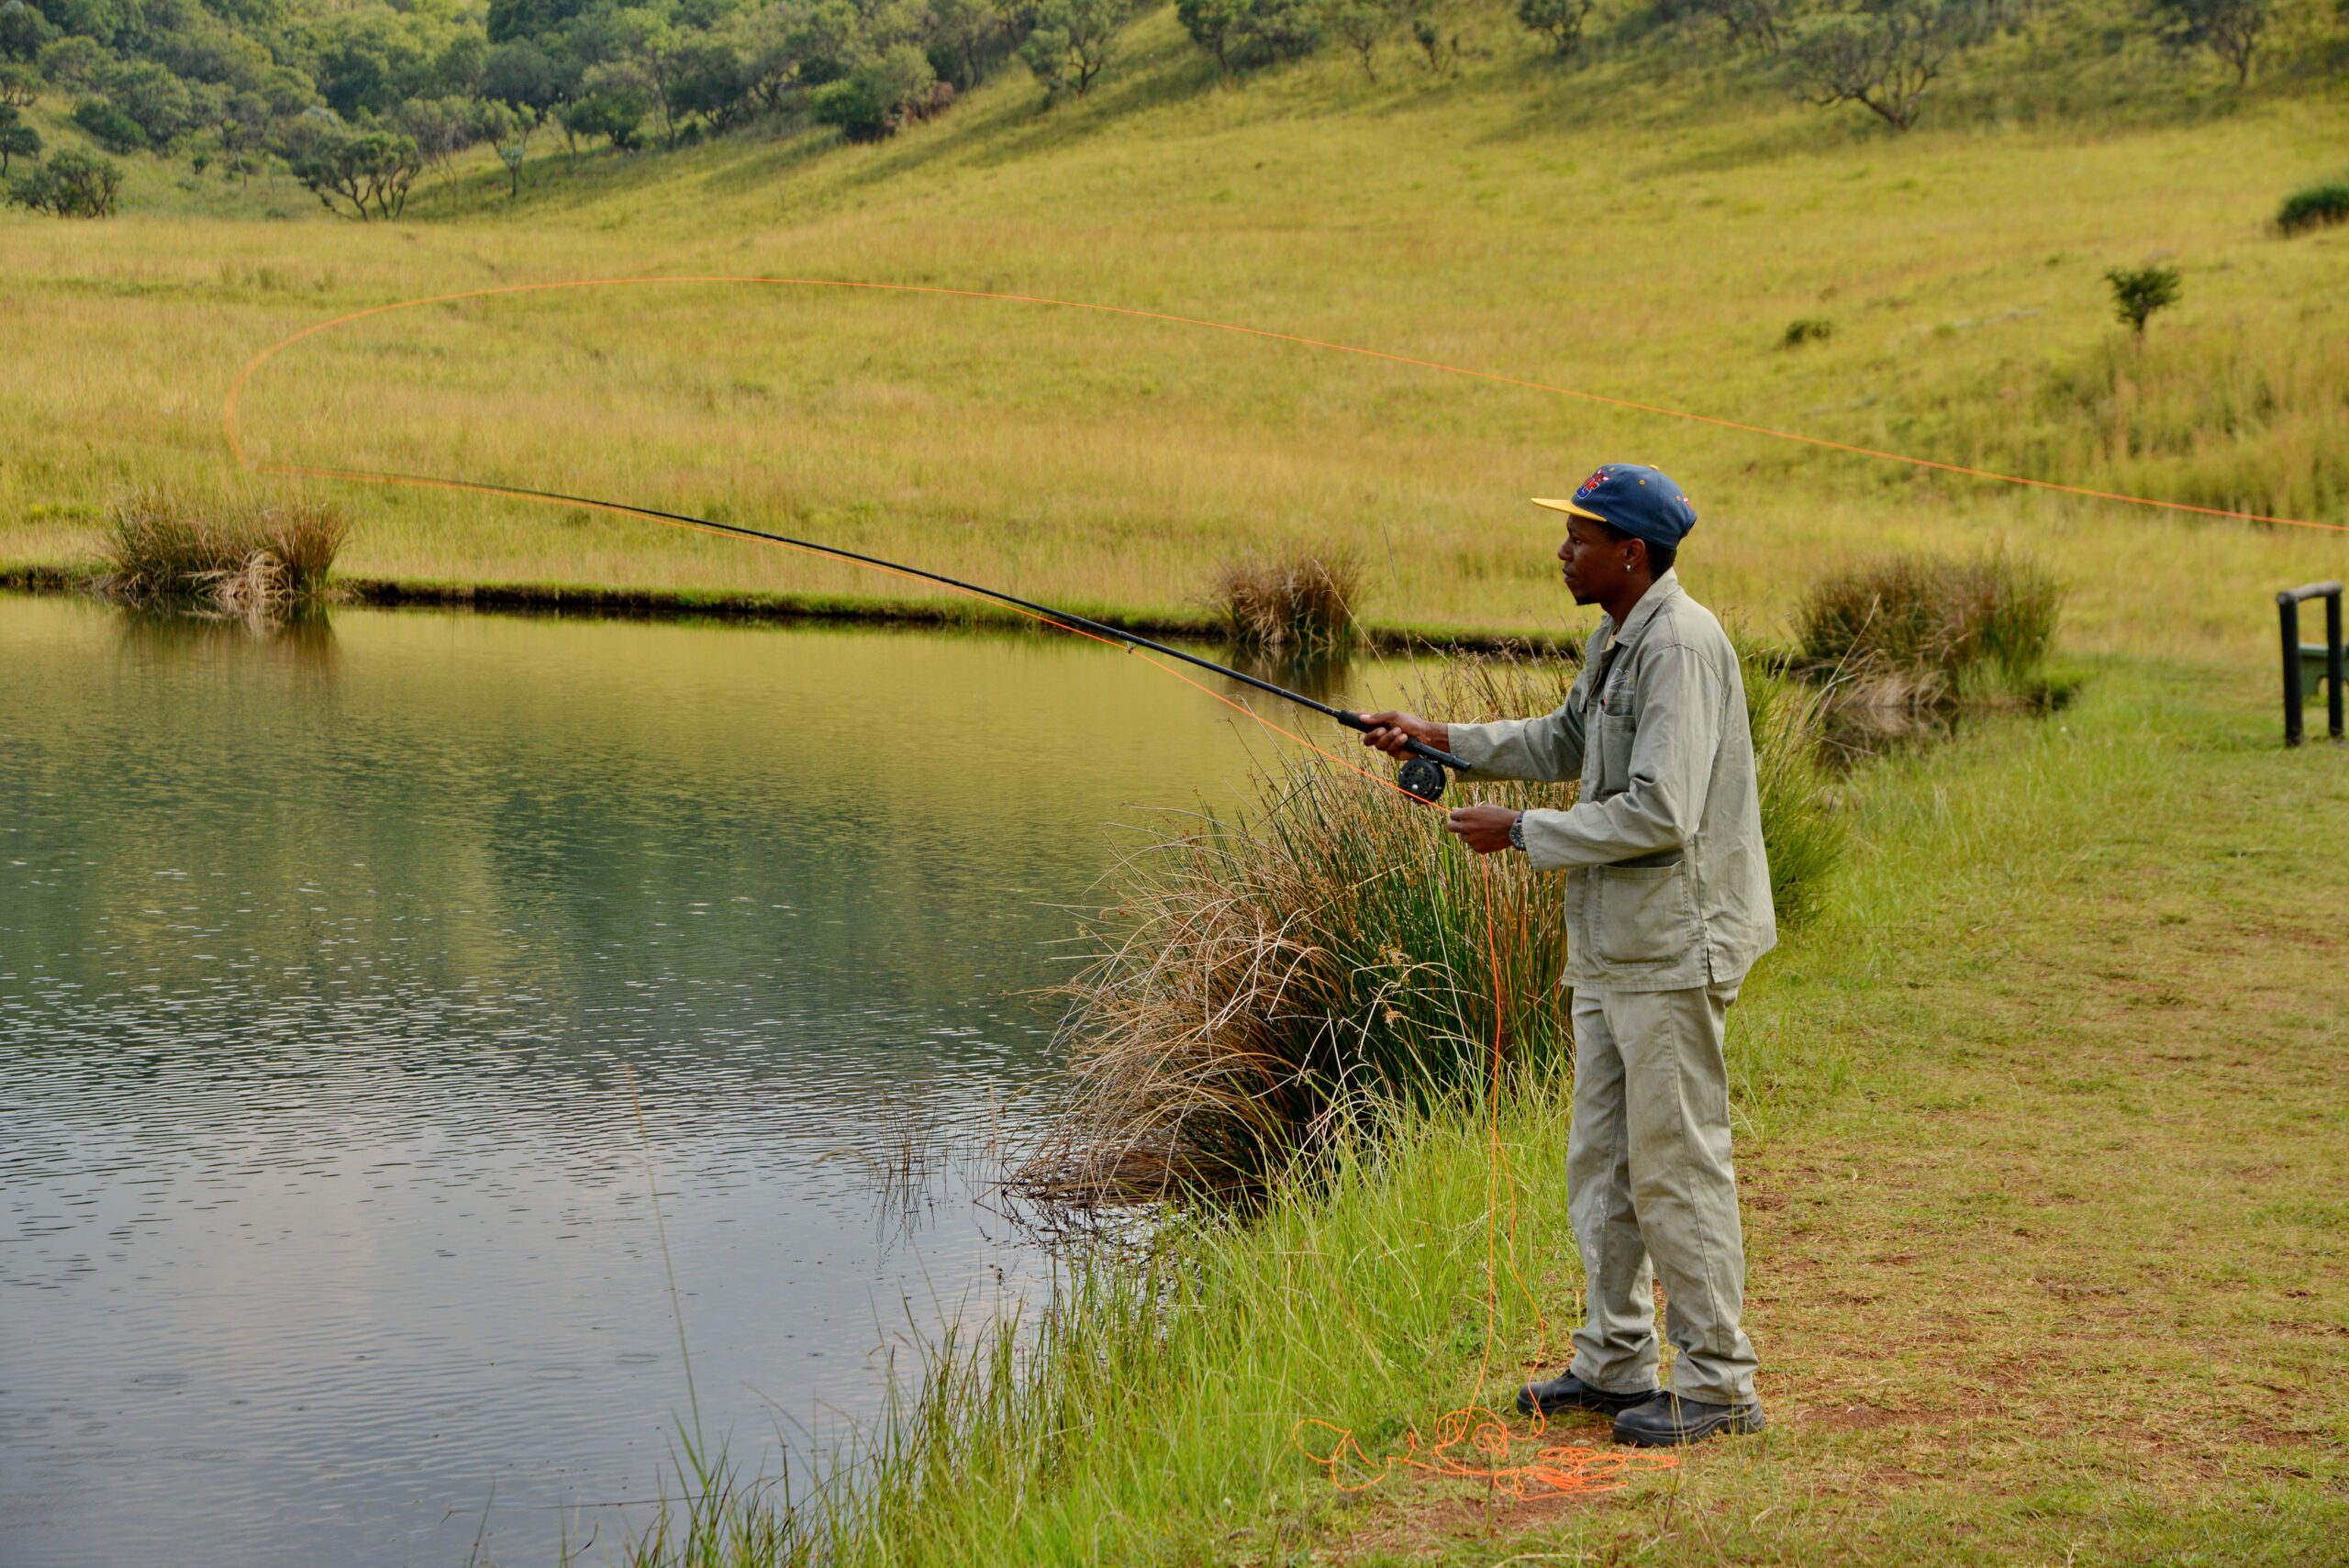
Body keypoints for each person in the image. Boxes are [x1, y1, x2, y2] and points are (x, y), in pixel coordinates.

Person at [1356, 462, 1775, 1447]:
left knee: (1674, 1165)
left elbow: (1663, 814)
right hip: (1612, 947)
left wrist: (1524, 835)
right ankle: (1615, 1357)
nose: (1563, 552)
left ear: (1630, 553)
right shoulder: (1617, 636)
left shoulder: (1678, 646)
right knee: (1600, 1162)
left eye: (1579, 537)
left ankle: (1719, 1382)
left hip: (1673, 947)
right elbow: (1563, 739)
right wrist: (1442, 736)